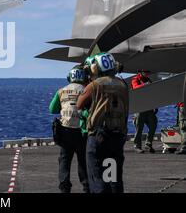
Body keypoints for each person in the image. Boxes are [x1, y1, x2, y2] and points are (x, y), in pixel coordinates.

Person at [77, 52, 129, 193]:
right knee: (113, 177)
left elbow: (79, 104)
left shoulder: (94, 85)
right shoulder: (123, 84)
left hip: (99, 137)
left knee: (97, 176)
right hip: (118, 136)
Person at [49, 65, 89, 193]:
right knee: (83, 161)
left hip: (65, 131)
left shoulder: (61, 91)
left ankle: (64, 188)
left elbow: (52, 109)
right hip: (81, 131)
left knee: (64, 161)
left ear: (69, 77)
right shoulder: (87, 90)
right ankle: (86, 186)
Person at [131, 72, 158, 154]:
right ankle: (137, 146)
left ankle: (148, 144)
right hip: (139, 108)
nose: (147, 74)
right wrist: (146, 84)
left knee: (153, 124)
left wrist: (156, 105)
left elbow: (153, 93)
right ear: (140, 72)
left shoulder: (148, 80)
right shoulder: (135, 79)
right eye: (145, 72)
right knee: (139, 128)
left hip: (149, 107)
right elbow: (135, 88)